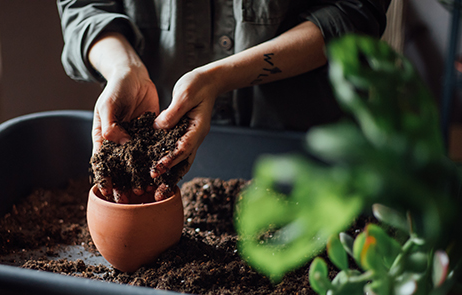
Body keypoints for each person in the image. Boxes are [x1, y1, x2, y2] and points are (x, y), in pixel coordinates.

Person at [57, 0, 390, 201]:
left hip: (306, 150)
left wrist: (220, 78)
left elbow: (354, 12)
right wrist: (122, 67)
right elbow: (83, 6)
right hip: (159, 115)